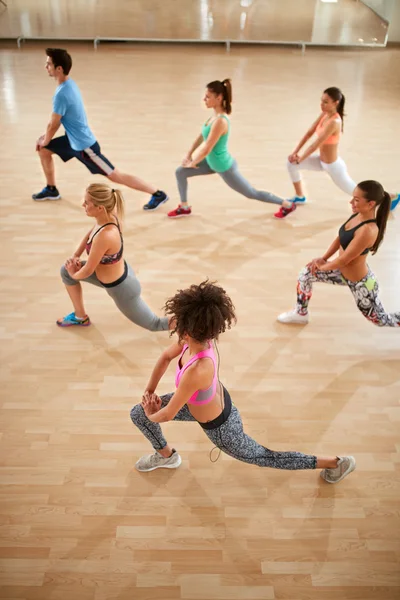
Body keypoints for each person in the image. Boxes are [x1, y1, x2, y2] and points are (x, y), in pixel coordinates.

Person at [130, 280, 355, 484]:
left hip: (221, 428)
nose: (173, 322)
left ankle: (335, 463)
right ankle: (167, 456)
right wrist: (149, 392)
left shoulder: (197, 369)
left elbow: (167, 414)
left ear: (188, 330)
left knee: (265, 457)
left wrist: (152, 414)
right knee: (137, 413)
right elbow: (165, 357)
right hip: (203, 404)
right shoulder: (192, 341)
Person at [33, 48, 168, 209]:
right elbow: (57, 122)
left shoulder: (62, 93)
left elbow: (54, 123)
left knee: (115, 175)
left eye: (48, 64)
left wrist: (46, 138)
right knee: (44, 150)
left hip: (85, 147)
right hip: (73, 140)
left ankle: (157, 194)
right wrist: (45, 141)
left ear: (59, 68)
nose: (45, 67)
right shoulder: (68, 84)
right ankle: (51, 189)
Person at [146, 79, 296, 219]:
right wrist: (189, 154)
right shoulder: (213, 117)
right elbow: (201, 136)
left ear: (218, 98)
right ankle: (184, 207)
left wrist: (193, 163)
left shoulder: (220, 121)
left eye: (207, 97)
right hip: (212, 163)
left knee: (251, 193)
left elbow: (207, 147)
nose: (204, 99)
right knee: (180, 172)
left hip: (224, 167)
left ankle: (287, 204)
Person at [277, 180, 400, 326]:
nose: (351, 202)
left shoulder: (368, 230)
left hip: (360, 284)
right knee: (306, 274)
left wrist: (321, 267)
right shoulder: (357, 215)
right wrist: (323, 258)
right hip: (341, 273)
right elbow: (340, 238)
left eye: (356, 200)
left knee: (380, 320)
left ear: (371, 204)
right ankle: (300, 313)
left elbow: (344, 260)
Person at [57, 183, 170, 331]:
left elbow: (88, 270)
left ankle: (196, 327)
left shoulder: (106, 236)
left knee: (156, 324)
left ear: (100, 208)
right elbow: (91, 233)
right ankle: (80, 317)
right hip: (118, 273)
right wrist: (76, 256)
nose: (82, 204)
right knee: (65, 272)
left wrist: (74, 273)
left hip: (122, 289)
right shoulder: (108, 216)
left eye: (87, 203)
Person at [286, 87, 400, 211]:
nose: (322, 105)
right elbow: (309, 133)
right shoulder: (325, 114)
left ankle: (390, 197)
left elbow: (315, 145)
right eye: (321, 101)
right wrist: (295, 153)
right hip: (321, 161)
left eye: (325, 102)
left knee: (358, 193)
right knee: (291, 165)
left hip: (333, 166)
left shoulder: (335, 122)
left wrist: (300, 159)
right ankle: (300, 196)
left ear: (336, 103)